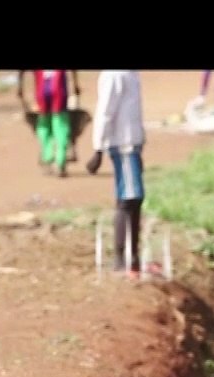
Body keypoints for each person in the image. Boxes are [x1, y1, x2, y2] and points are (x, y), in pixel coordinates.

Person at [85, 71, 146, 279]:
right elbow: (105, 111)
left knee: (134, 199)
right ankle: (123, 259)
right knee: (129, 200)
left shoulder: (130, 74)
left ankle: (133, 257)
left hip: (132, 144)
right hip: (123, 144)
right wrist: (98, 148)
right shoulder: (115, 75)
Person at [18, 70, 81, 178]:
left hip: (42, 90)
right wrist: (75, 85)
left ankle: (47, 157)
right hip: (58, 90)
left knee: (44, 126)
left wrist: (20, 88)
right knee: (60, 127)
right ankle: (60, 162)